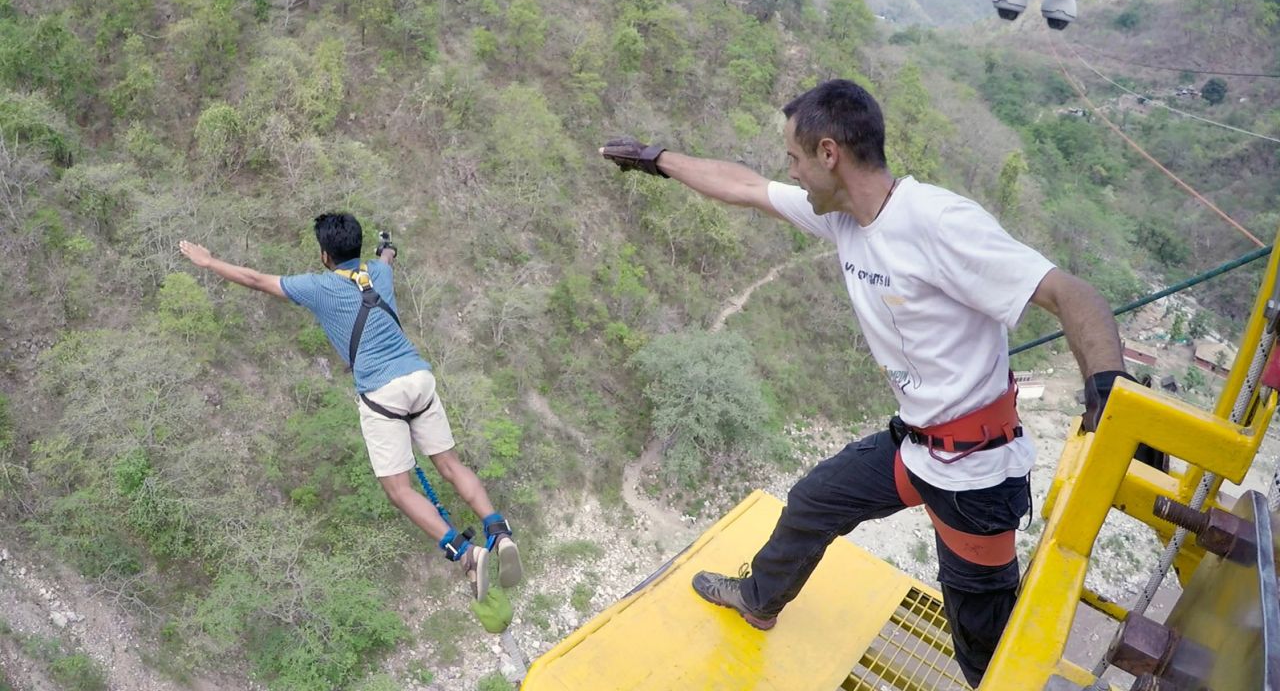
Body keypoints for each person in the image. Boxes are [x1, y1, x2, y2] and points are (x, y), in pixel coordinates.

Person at [600, 79, 1133, 687]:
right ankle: (759, 599)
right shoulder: (844, 218)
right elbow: (744, 186)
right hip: (915, 444)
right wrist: (656, 160)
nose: (791, 172)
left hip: (974, 477)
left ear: (830, 154)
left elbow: (1072, 295)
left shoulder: (938, 222)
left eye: (796, 159)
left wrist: (1109, 390)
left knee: (983, 651)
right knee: (812, 502)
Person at [178, 214, 522, 601]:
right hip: (419, 379)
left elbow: (256, 279)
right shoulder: (379, 272)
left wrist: (208, 262)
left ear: (325, 254)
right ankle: (498, 530)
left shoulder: (318, 287)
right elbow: (387, 261)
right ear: (358, 246)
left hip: (381, 393)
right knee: (450, 464)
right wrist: (388, 251)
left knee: (398, 489)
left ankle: (465, 553)